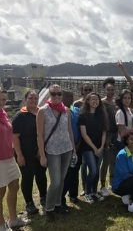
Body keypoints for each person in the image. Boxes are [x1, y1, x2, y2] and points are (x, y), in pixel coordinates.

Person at [0, 88, 30, 230]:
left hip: (9, 158)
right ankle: (1, 224)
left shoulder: (3, 115)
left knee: (14, 187)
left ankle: (13, 219)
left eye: (4, 99)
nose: (1, 102)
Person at [37, 85, 77, 220]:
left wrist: (74, 150)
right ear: (49, 94)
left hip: (66, 148)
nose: (56, 96)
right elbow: (40, 135)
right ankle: (49, 208)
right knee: (55, 181)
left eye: (59, 94)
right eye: (53, 94)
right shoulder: (42, 111)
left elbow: (69, 131)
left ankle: (58, 204)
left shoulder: (66, 111)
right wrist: (42, 155)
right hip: (52, 150)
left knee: (62, 179)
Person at [12, 90, 47, 216]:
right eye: (30, 98)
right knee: (27, 177)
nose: (33, 100)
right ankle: (29, 203)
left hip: (40, 152)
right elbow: (15, 137)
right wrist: (19, 155)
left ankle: (44, 197)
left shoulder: (40, 112)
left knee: (41, 175)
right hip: (25, 152)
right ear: (26, 99)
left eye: (36, 98)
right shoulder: (20, 116)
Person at [78, 92, 108, 203]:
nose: (95, 101)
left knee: (97, 170)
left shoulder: (102, 114)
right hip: (88, 148)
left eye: (97, 99)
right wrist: (95, 148)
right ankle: (87, 192)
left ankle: (94, 192)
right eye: (92, 99)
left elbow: (104, 132)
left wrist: (101, 147)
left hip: (100, 147)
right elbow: (84, 134)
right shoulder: (83, 115)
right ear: (88, 101)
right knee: (93, 171)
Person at [100, 81, 119, 197]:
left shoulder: (117, 102)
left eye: (112, 90)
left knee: (114, 159)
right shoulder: (102, 102)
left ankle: (111, 182)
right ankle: (102, 185)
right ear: (105, 90)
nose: (110, 92)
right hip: (106, 134)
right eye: (108, 90)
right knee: (106, 160)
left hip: (116, 133)